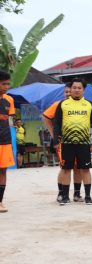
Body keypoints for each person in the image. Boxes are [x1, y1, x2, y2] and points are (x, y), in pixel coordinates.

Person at [53, 78, 92, 205]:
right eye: (74, 88)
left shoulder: (90, 104)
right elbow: (56, 123)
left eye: (79, 88)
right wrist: (55, 140)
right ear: (70, 89)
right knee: (66, 169)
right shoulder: (63, 104)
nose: (77, 90)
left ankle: (88, 196)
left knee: (85, 169)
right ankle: (65, 196)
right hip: (67, 143)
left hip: (84, 143)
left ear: (83, 90)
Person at [43, 83, 83, 203]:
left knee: (78, 167)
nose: (67, 94)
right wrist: (53, 134)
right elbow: (45, 117)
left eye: (69, 92)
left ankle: (77, 194)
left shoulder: (79, 105)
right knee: (65, 167)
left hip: (78, 140)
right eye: (65, 92)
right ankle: (61, 193)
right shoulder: (58, 104)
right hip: (62, 141)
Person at [0, 70, 16, 213]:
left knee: (3, 171)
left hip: (5, 140)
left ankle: (0, 201)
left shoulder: (9, 100)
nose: (6, 86)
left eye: (8, 84)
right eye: (3, 84)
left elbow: (9, 121)